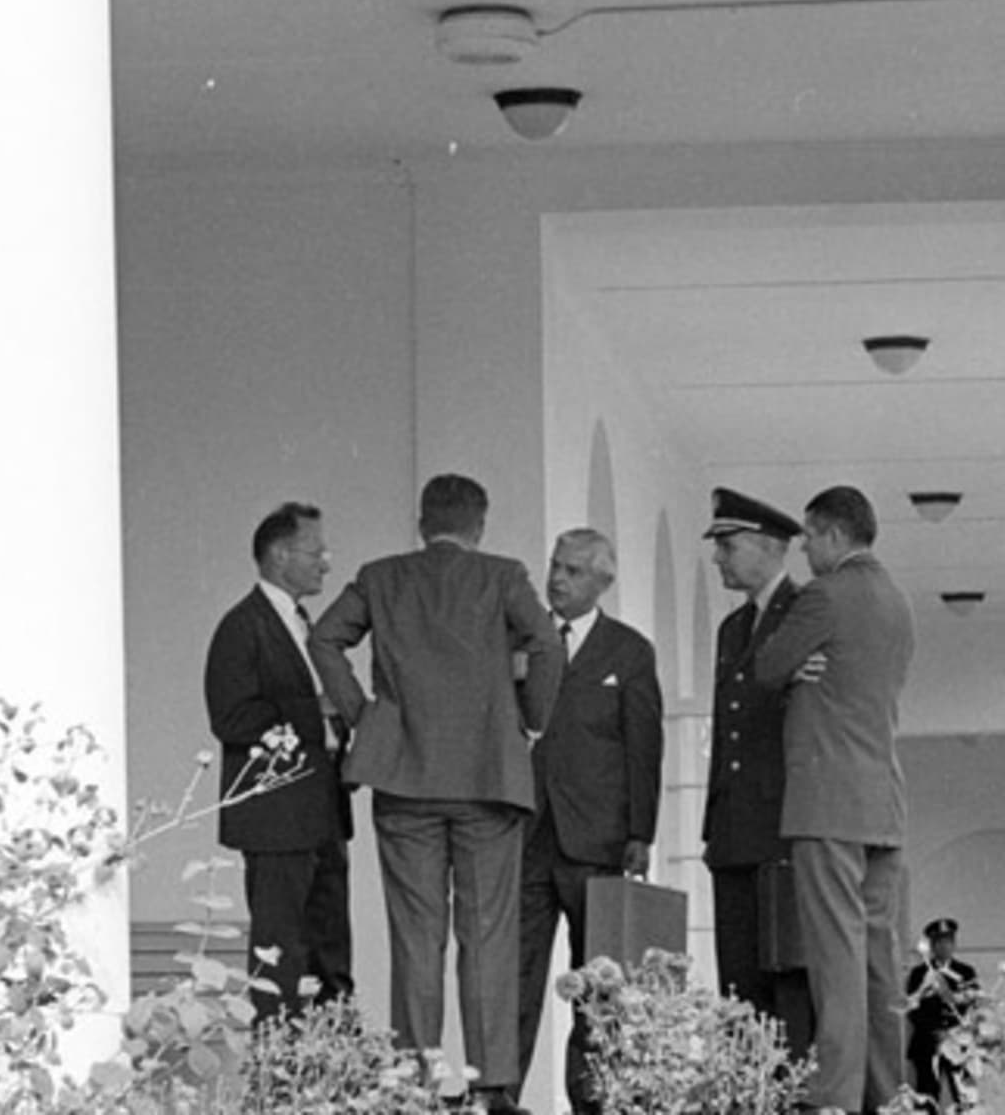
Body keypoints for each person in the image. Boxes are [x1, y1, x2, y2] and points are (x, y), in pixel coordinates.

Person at [310, 475, 563, 1114]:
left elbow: (325, 638)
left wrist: (365, 718)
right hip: (488, 779)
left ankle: (415, 1081)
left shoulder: (381, 575)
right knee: (488, 931)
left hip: (405, 776)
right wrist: (528, 719)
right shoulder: (502, 576)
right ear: (479, 524)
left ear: (422, 522)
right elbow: (548, 642)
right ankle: (490, 1083)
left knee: (417, 936)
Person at [753, 485, 914, 1115]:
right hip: (883, 800)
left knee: (835, 958)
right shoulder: (897, 601)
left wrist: (796, 667)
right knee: (879, 958)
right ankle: (888, 1093)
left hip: (827, 799)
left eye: (811, 538)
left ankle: (835, 1099)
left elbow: (767, 666)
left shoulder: (825, 595)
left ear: (836, 536)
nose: (808, 551)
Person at [515, 528, 664, 1115]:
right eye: (555, 565)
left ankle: (595, 1098)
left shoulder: (628, 651)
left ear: (602, 581)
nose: (557, 578)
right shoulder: (521, 642)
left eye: (574, 571)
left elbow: (643, 746)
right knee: (515, 975)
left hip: (598, 840)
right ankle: (502, 1094)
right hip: (527, 834)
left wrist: (641, 832)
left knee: (600, 981)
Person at [203, 501, 354, 1023]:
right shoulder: (243, 626)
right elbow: (232, 716)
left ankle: (336, 1072)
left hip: (322, 810)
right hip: (275, 817)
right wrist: (315, 712)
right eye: (317, 551)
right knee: (281, 952)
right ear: (280, 554)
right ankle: (282, 1080)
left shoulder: (301, 621)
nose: (327, 562)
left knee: (330, 949)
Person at [700, 486, 814, 1054]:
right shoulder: (731, 629)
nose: (719, 558)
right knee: (738, 985)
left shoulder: (804, 612)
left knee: (788, 982)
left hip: (781, 827)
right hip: (734, 830)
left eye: (728, 544)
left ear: (770, 547)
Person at [904, 917, 978, 1108]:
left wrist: (954, 1032)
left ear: (954, 944)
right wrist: (935, 1031)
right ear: (932, 945)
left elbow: (974, 1006)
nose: (944, 947)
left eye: (948, 941)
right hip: (928, 1043)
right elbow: (913, 1008)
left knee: (964, 1095)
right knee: (927, 1095)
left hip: (958, 1044)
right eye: (939, 942)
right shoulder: (920, 973)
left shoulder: (965, 973)